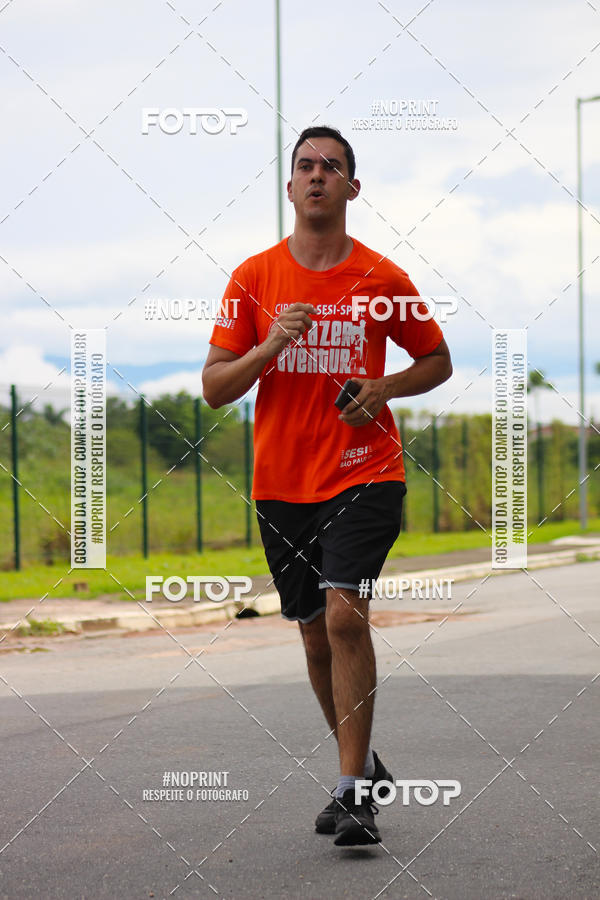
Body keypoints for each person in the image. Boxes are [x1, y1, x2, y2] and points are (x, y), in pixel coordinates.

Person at [202, 125, 452, 846]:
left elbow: (437, 359)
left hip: (365, 472)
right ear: (289, 187)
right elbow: (216, 388)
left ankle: (352, 798)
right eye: (305, 165)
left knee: (346, 617)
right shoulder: (253, 278)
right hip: (281, 484)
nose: (317, 175)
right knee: (314, 639)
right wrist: (271, 344)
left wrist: (387, 387)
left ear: (351, 188)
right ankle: (361, 763)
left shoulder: (381, 279)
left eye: (332, 166)